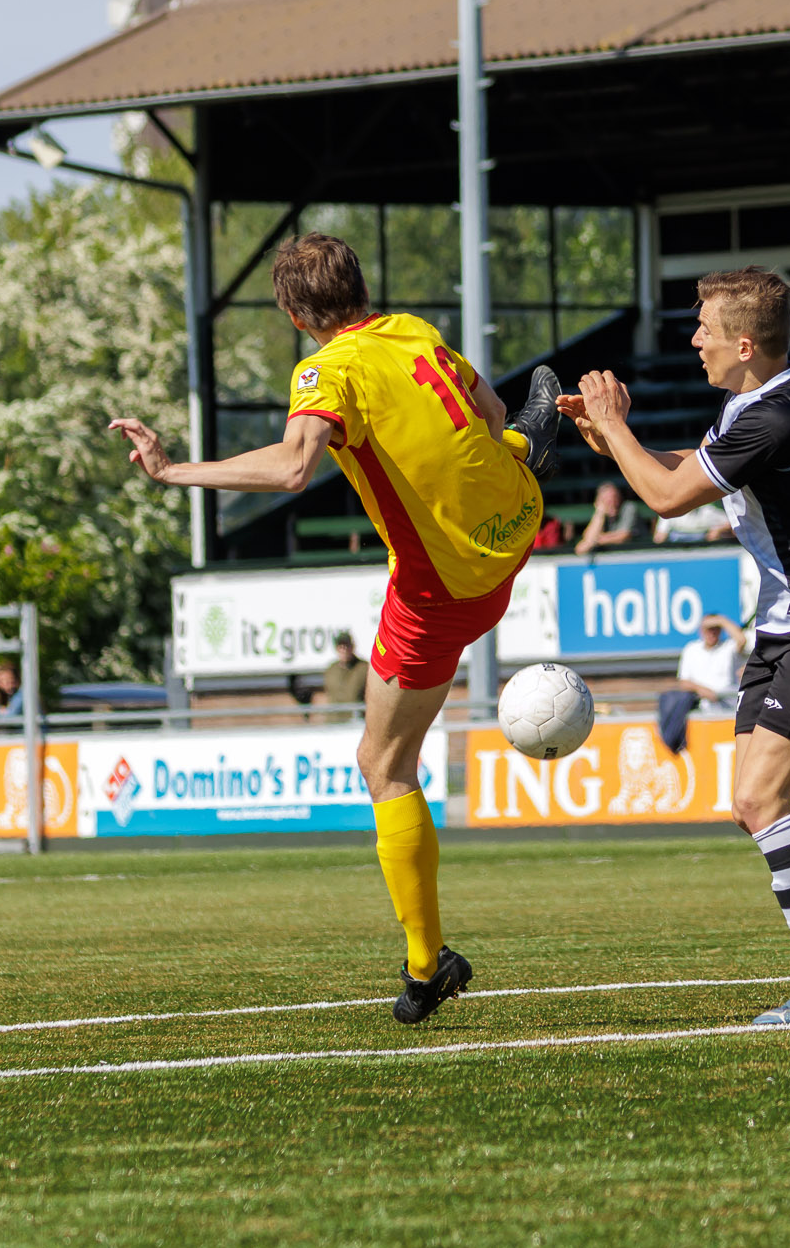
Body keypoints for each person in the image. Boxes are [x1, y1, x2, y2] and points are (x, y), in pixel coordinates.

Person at [110, 232, 563, 1024]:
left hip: (443, 590)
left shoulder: (326, 371)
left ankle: (428, 965)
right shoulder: (414, 332)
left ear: (295, 315)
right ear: (361, 288)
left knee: (382, 765)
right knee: (503, 441)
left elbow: (294, 468)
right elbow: (489, 412)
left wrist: (173, 471)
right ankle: (534, 442)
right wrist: (511, 438)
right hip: (518, 528)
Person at [557, 267, 790, 1025]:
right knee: (755, 805)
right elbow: (682, 473)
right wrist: (605, 435)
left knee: (762, 801)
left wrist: (618, 429)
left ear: (745, 344)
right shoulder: (754, 402)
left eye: (704, 327)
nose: (694, 340)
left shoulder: (781, 413)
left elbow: (667, 499)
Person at [676, 614, 744, 713]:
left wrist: (721, 620)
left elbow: (742, 640)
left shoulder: (728, 647)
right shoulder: (691, 649)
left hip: (728, 705)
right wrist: (702, 690)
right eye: (708, 629)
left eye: (715, 629)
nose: (712, 633)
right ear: (701, 630)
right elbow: (683, 682)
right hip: (701, 707)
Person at [575, 482, 639, 555]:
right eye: (607, 500)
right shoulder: (601, 514)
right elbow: (585, 544)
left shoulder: (628, 508)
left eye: (615, 497)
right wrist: (599, 513)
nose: (612, 502)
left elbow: (624, 536)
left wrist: (596, 540)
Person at [323, 632, 369, 707]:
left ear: (352, 647)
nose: (344, 650)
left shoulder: (363, 668)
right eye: (341, 647)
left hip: (356, 713)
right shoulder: (331, 670)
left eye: (347, 646)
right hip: (334, 713)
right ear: (336, 649)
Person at [652, 502, 733, 544]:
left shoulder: (707, 511)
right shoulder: (670, 513)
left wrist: (718, 530)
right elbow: (659, 537)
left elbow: (731, 522)